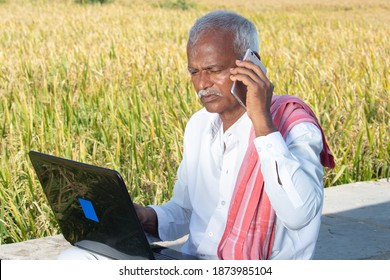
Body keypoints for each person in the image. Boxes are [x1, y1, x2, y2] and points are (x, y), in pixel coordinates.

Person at [59, 10, 334, 260]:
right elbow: (186, 211)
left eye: (214, 70)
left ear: (251, 64)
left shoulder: (293, 125)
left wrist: (262, 121)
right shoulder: (199, 126)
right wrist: (146, 217)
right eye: (194, 72)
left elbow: (300, 215)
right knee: (77, 261)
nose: (202, 84)